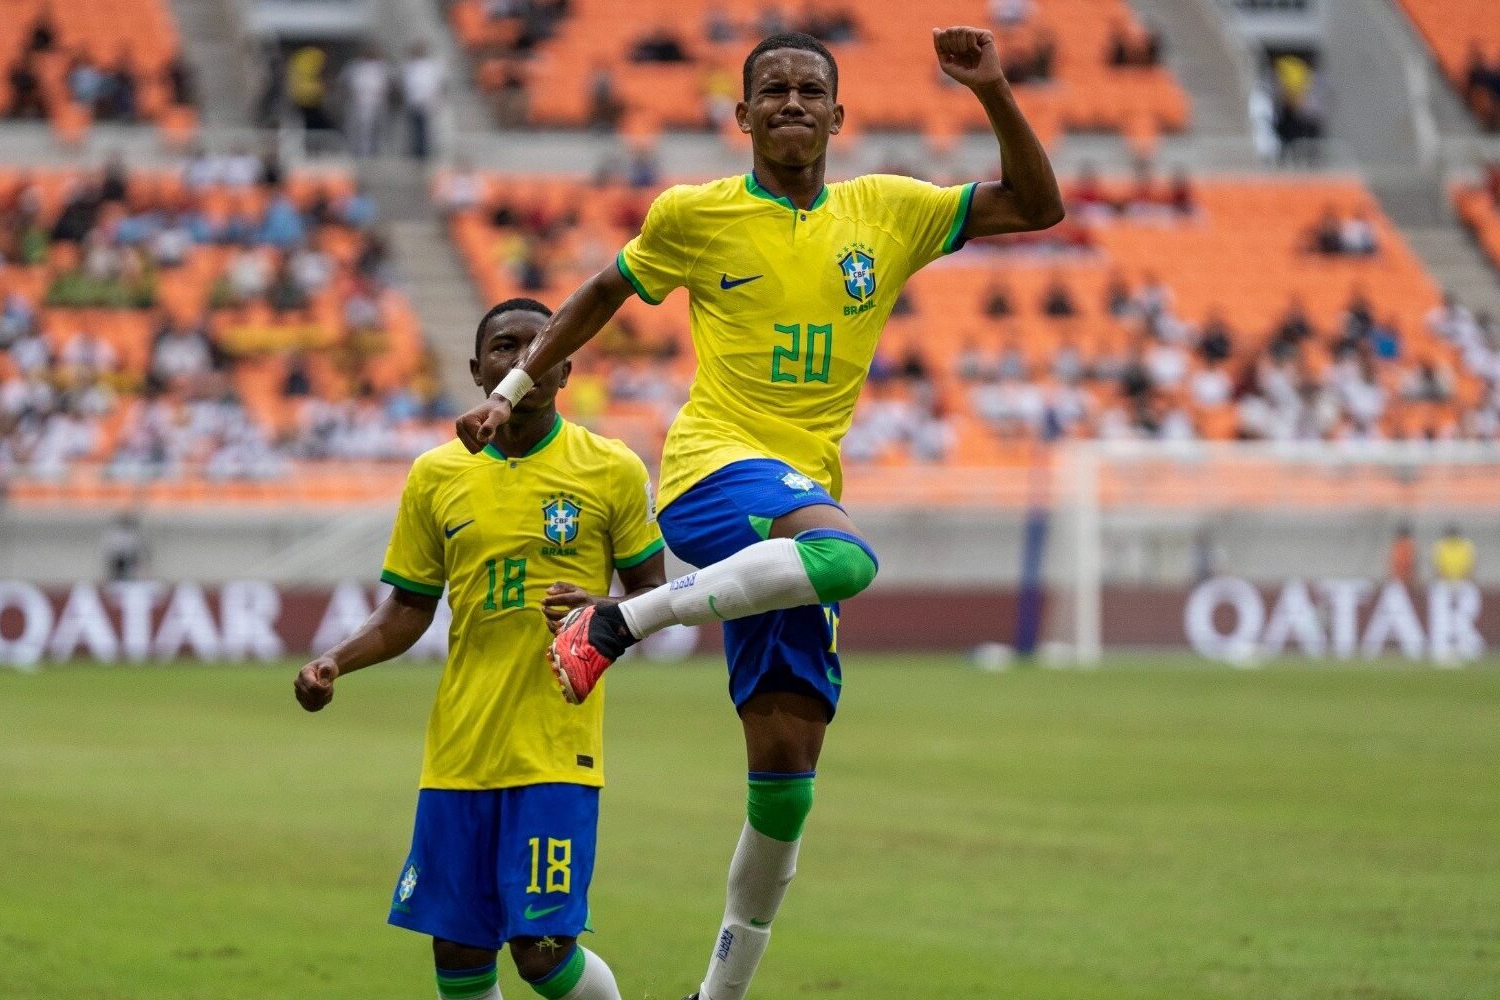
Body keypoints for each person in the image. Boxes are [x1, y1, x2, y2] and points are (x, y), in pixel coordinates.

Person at [455, 28, 1061, 1000]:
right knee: (847, 559)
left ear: (836, 114)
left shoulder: (888, 212)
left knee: (786, 778)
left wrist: (990, 87)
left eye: (807, 89)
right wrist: (516, 384)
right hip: (711, 473)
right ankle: (614, 622)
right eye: (769, 89)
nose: (789, 101)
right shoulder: (695, 216)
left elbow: (1039, 205)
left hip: (795, 509)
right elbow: (601, 292)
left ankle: (716, 995)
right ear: (739, 116)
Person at [294, 298, 666, 1000]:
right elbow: (409, 607)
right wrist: (335, 661)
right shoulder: (435, 476)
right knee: (459, 952)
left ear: (566, 364)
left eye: (538, 344)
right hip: (459, 750)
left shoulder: (610, 468)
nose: (522, 357)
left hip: (555, 749)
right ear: (477, 369)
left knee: (542, 951)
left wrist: (606, 611)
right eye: (503, 346)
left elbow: (657, 597)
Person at [402, 42, 446, 161]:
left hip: (427, 101)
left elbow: (435, 85)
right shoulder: (409, 66)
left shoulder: (430, 66)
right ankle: (416, 152)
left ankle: (424, 153)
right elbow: (408, 86)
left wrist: (434, 100)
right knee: (415, 129)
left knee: (426, 129)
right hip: (414, 102)